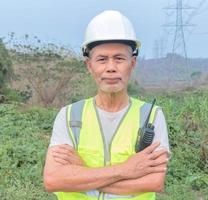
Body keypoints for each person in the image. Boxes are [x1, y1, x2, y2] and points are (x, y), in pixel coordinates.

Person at [43, 10, 170, 200]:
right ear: (89, 65)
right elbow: (54, 180)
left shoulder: (151, 116)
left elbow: (154, 182)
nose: (111, 67)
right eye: (102, 59)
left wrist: (81, 173)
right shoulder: (69, 116)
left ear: (132, 63)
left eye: (119, 58)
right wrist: (126, 170)